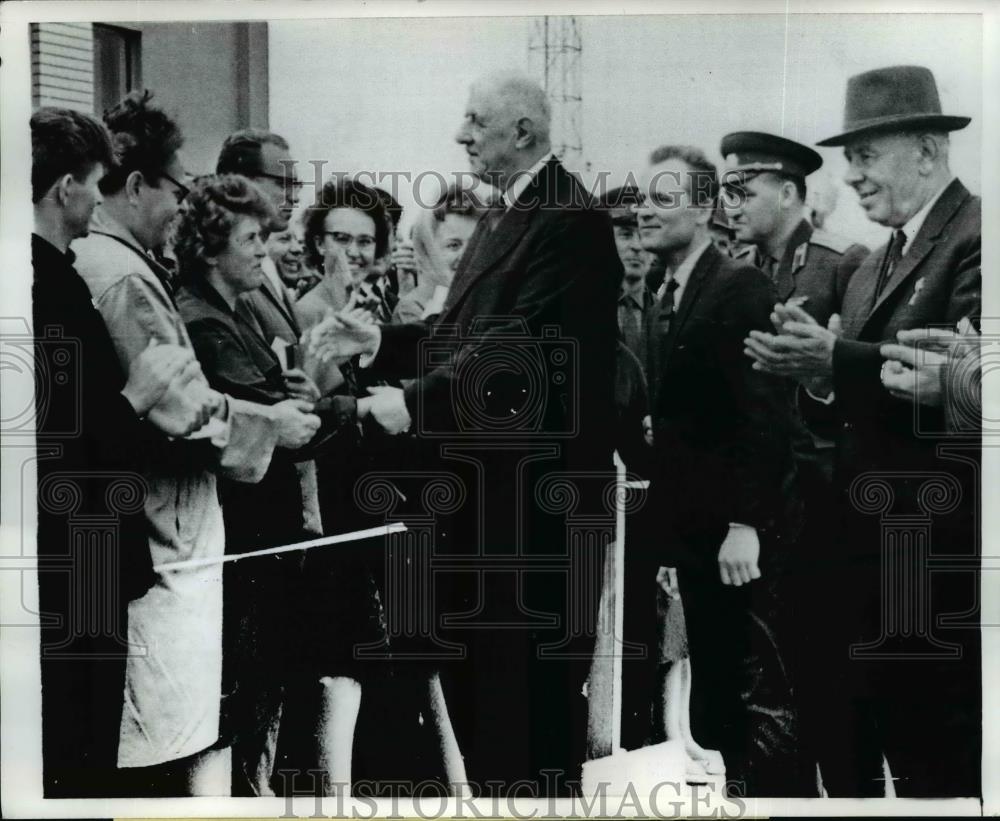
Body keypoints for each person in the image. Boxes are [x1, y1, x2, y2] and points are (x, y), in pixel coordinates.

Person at [308, 70, 621, 794]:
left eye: (476, 121)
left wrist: (411, 402)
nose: (461, 134)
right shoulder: (512, 214)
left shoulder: (568, 220)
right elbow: (459, 335)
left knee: (525, 718)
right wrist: (378, 344)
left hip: (537, 527)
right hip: (496, 519)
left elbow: (515, 358)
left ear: (523, 132)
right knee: (491, 712)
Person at [744, 65, 981, 797]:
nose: (851, 177)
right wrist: (815, 374)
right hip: (864, 557)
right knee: (871, 738)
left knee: (938, 762)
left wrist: (835, 357)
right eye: (850, 159)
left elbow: (966, 385)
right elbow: (857, 395)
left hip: (933, 558)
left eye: (866, 155)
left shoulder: (976, 238)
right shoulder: (874, 261)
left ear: (928, 151)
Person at [69, 92, 282, 796]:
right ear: (136, 187)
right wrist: (271, 426)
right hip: (166, 546)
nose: (181, 207)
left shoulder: (108, 262)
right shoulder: (124, 275)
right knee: (165, 751)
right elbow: (182, 410)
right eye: (176, 189)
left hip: (158, 544)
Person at [31, 105, 211, 796]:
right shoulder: (47, 281)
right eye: (94, 183)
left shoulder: (57, 270)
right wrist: (135, 398)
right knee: (78, 751)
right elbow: (60, 440)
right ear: (66, 188)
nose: (96, 203)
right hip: (78, 564)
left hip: (79, 562)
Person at [636, 144, 809, 796]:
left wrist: (746, 523)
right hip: (690, 535)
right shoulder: (667, 291)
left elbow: (767, 417)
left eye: (663, 198)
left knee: (752, 690)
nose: (646, 212)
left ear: (705, 207)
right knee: (710, 689)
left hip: (735, 540)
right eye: (642, 197)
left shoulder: (741, 287)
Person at [719, 131, 870, 786]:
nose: (730, 203)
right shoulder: (737, 272)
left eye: (742, 190)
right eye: (726, 191)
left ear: (788, 191)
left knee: (832, 689)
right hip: (762, 516)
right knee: (769, 694)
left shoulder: (842, 266)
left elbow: (863, 395)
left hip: (825, 514)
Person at [390, 182, 489, 323]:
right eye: (453, 245)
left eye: (474, 243)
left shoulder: (487, 299)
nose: (466, 254)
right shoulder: (412, 309)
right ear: (429, 251)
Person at [598, 184, 655, 366]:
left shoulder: (667, 310)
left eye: (645, 235)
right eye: (626, 235)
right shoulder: (585, 306)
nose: (638, 246)